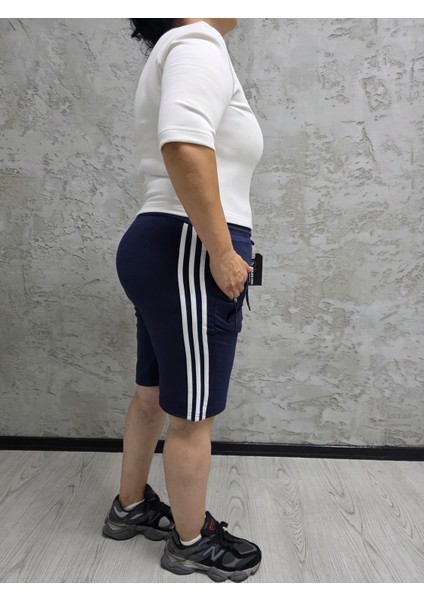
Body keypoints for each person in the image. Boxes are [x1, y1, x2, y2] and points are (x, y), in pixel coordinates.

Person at [102, 18, 264, 583]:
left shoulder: (178, 48)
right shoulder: (198, 41)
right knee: (193, 415)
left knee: (151, 394)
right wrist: (221, 251)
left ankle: (129, 507)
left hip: (162, 243)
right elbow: (184, 146)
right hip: (189, 248)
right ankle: (192, 542)